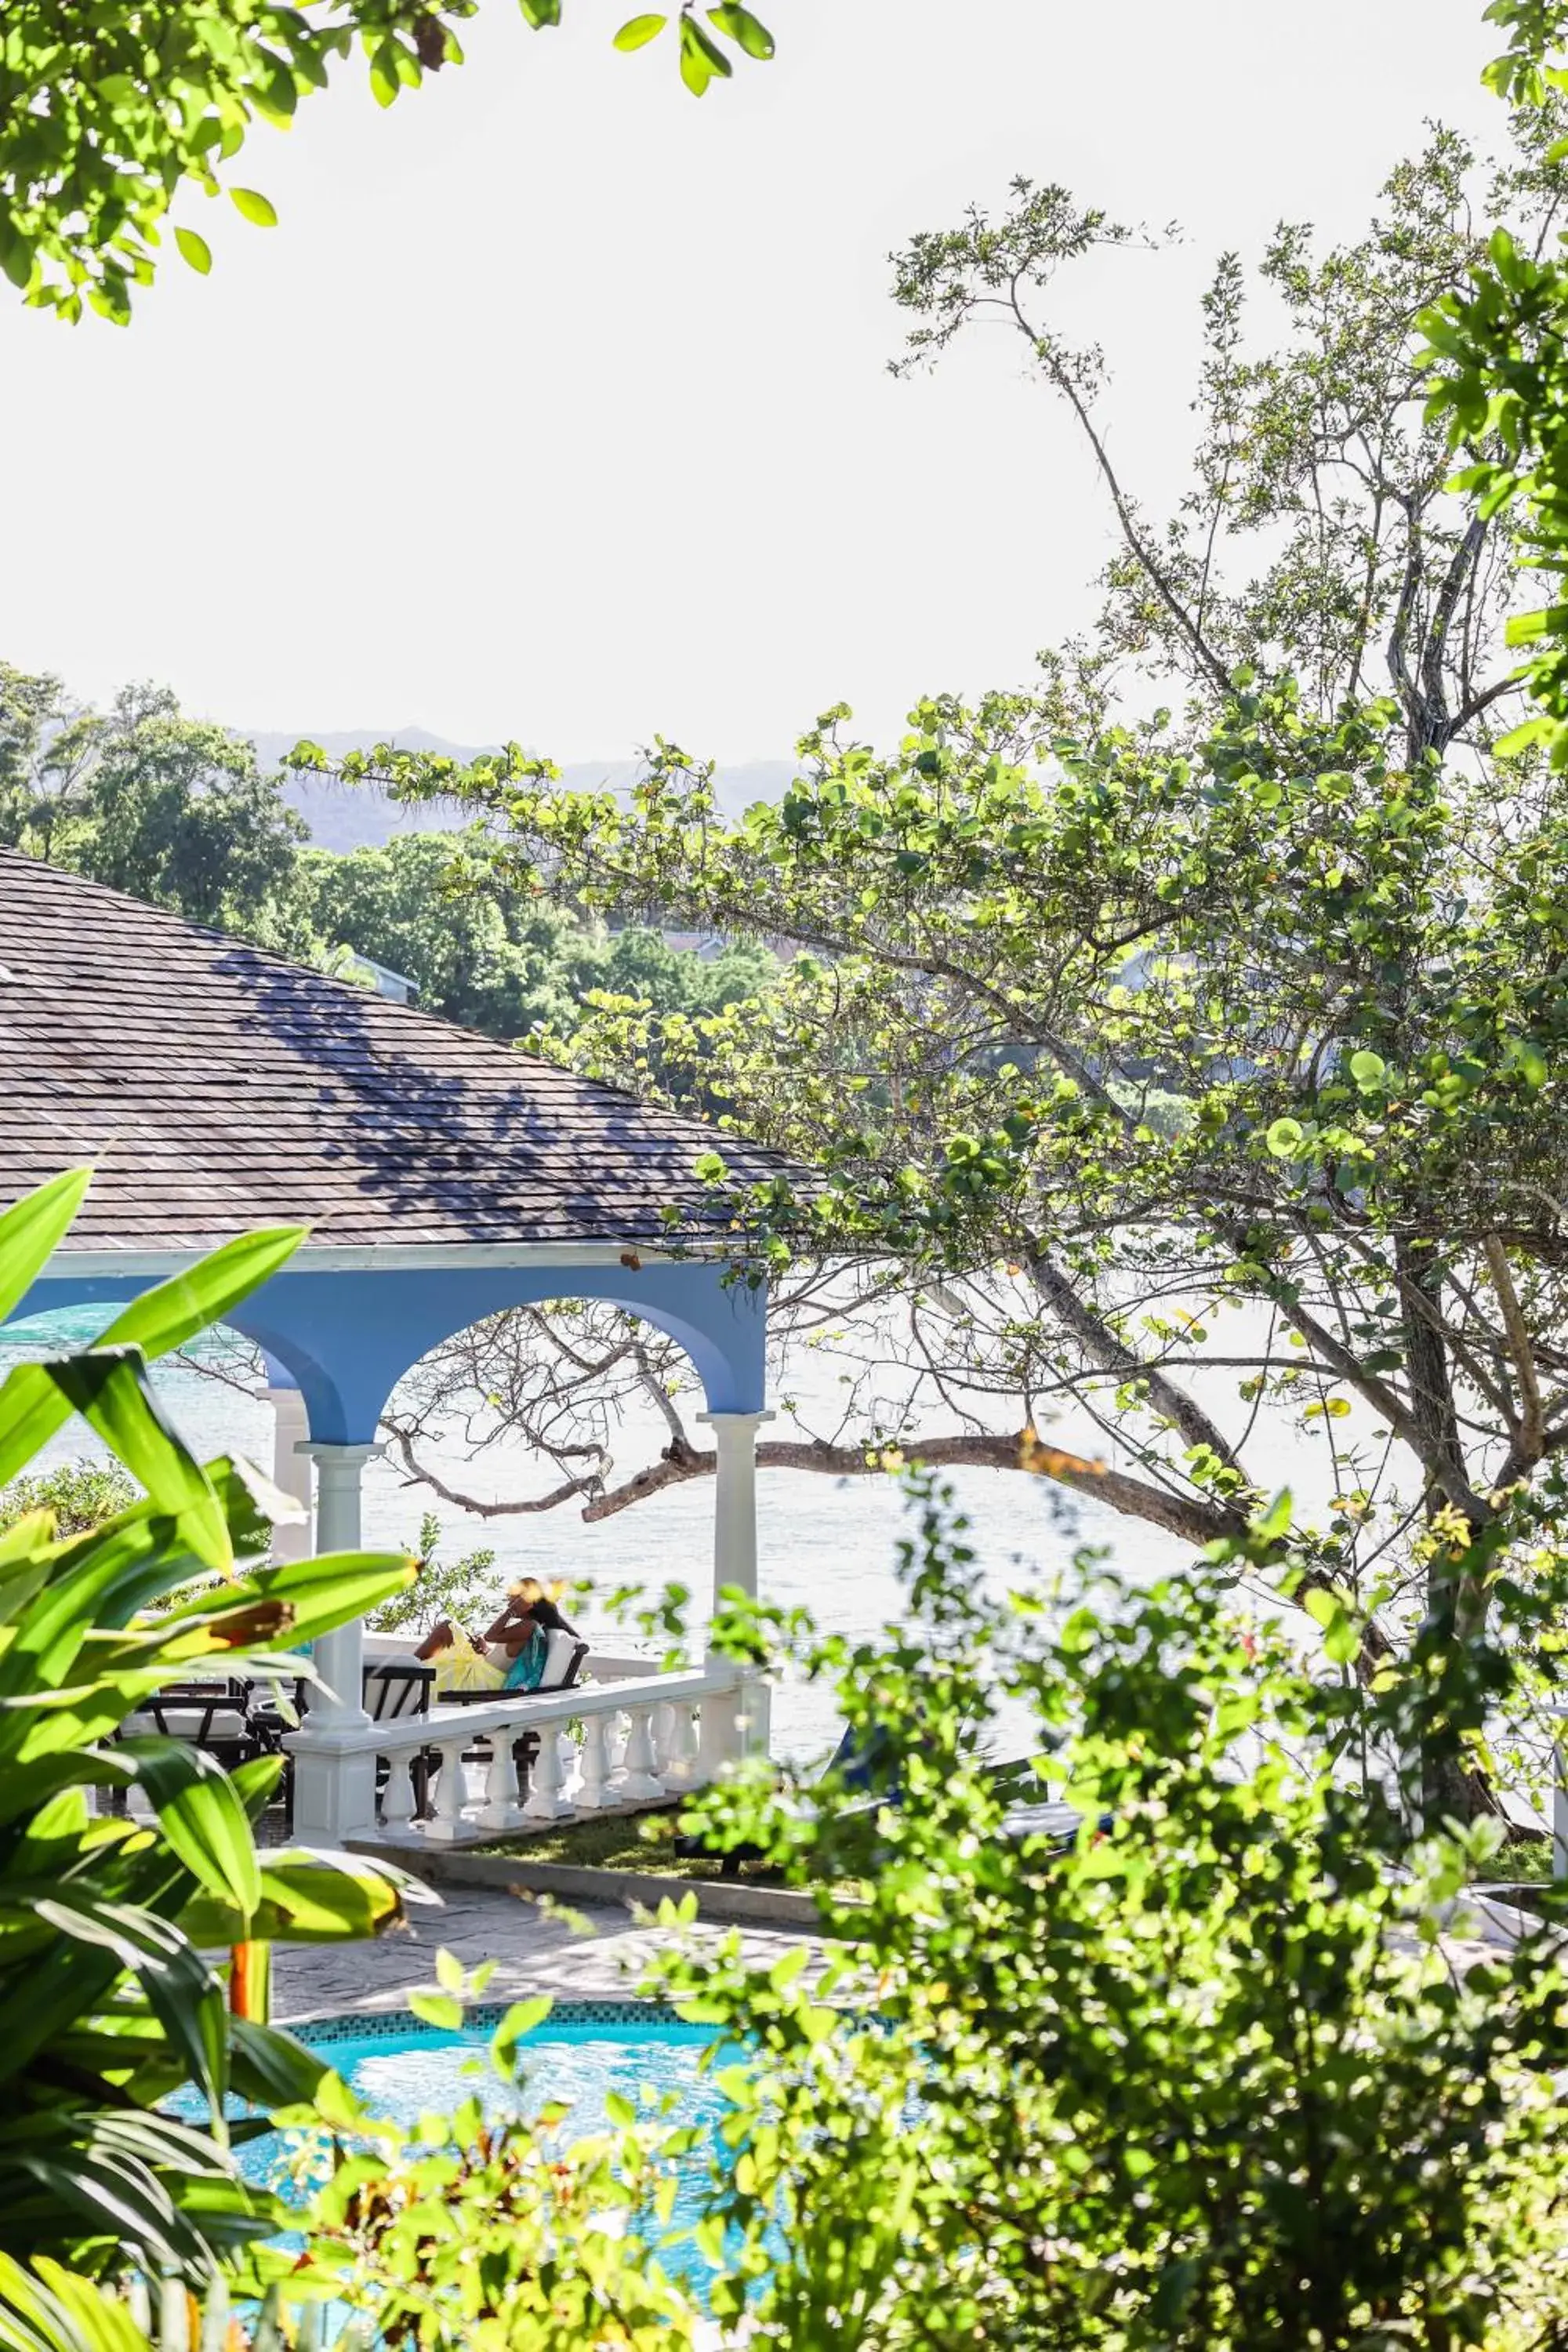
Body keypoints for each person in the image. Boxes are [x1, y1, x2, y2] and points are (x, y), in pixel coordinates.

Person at [415, 1578, 579, 1697]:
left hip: (482, 1682)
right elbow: (504, 1657)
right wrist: (485, 1650)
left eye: (515, 1596)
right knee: (449, 1629)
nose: (509, 1597)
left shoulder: (528, 1626)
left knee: (447, 1628)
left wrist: (511, 1611)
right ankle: (407, 1669)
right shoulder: (527, 1626)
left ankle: (405, 1671)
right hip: (485, 1671)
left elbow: (490, 1635)